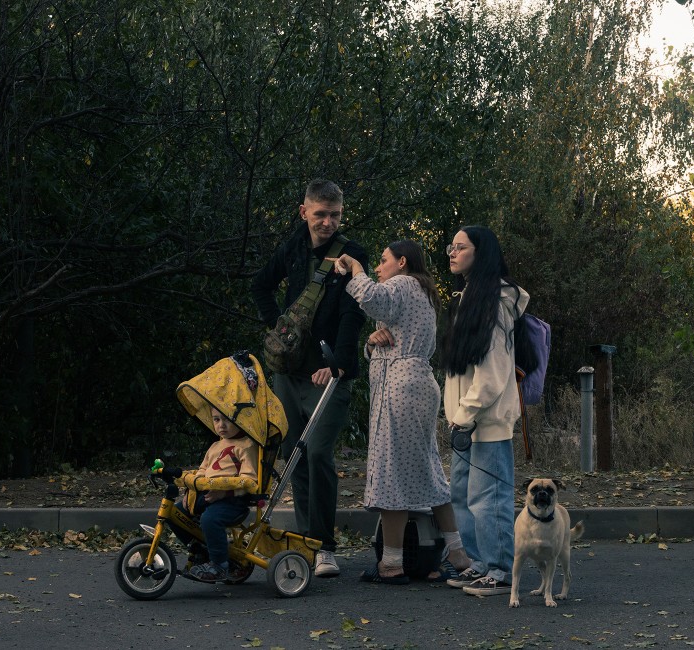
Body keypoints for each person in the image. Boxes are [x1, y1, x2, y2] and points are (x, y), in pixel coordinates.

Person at [329, 241, 472, 585]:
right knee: (427, 469)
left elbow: (372, 298)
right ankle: (457, 552)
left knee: (391, 469)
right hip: (418, 384)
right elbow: (393, 332)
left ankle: (391, 564)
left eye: (382, 261)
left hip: (400, 387)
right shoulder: (420, 291)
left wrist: (356, 268)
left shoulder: (402, 284)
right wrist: (370, 342)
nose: (378, 268)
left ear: (402, 262)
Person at [251, 179, 368, 577]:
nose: (328, 222)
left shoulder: (352, 253)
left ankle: (325, 547)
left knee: (317, 452)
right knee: (294, 457)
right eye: (320, 214)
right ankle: (304, 543)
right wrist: (276, 331)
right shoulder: (292, 247)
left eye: (334, 215)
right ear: (305, 213)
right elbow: (260, 286)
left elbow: (354, 314)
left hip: (329, 374)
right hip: (289, 373)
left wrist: (339, 364)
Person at [439, 225, 529, 597]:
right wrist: (457, 416)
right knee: (462, 494)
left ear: (481, 253)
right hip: (465, 420)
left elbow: (494, 373)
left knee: (487, 497)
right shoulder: (469, 298)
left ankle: (501, 569)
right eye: (451, 246)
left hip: (485, 420)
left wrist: (465, 414)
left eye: (461, 247)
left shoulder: (494, 302)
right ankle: (478, 564)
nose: (452, 253)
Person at [166, 404, 259, 583]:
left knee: (209, 519)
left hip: (232, 500)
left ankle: (219, 565)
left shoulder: (247, 445)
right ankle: (199, 548)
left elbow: (249, 481)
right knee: (173, 513)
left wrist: (224, 494)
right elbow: (202, 471)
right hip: (207, 495)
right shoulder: (216, 445)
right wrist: (191, 492)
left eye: (227, 420)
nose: (221, 425)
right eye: (216, 420)